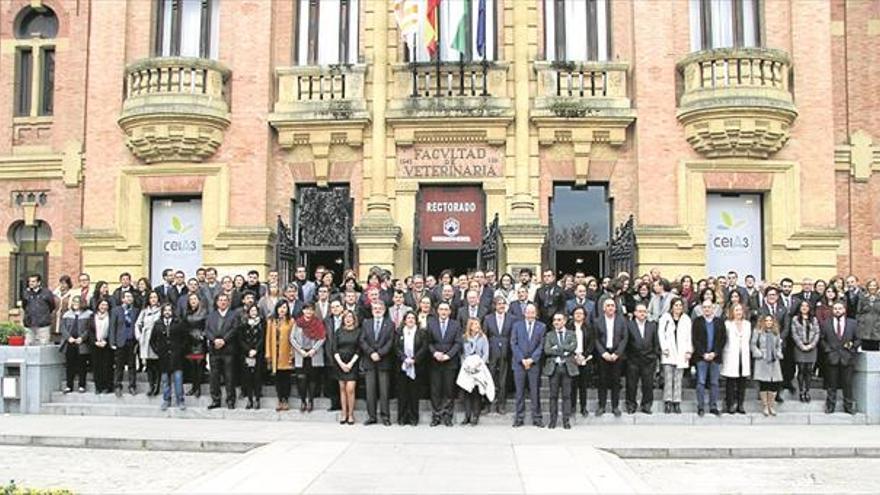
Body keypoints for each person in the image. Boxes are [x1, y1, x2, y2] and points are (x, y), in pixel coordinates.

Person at [820, 301, 860, 414]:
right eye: (835, 308)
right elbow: (822, 339)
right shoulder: (826, 323)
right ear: (832, 310)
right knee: (831, 384)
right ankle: (830, 406)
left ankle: (848, 406)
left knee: (847, 384)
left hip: (847, 357)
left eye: (840, 308)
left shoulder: (852, 323)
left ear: (844, 310)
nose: (837, 310)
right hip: (832, 357)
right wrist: (827, 350)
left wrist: (853, 346)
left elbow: (858, 339)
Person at [427, 301, 463, 427]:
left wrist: (448, 355)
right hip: (435, 361)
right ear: (437, 311)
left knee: (449, 390)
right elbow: (428, 342)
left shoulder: (456, 324)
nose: (443, 311)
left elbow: (458, 343)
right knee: (436, 390)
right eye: (441, 309)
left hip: (450, 362)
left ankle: (448, 416)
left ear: (450, 311)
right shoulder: (431, 323)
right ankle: (436, 416)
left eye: (446, 309)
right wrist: (435, 353)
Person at [359, 300, 395, 426]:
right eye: (375, 308)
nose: (377, 310)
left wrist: (379, 353)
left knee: (384, 391)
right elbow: (362, 340)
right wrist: (371, 353)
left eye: (380, 308)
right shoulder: (366, 323)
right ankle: (372, 416)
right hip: (369, 361)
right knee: (370, 391)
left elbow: (390, 342)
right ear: (372, 310)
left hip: (384, 361)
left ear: (384, 310)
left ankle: (385, 416)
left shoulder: (390, 324)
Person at [511, 303, 545, 427]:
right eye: (528, 312)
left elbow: (541, 345)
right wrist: (522, 359)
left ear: (536, 314)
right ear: (524, 313)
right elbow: (513, 344)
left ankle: (537, 418)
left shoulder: (541, 326)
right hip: (519, 364)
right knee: (519, 392)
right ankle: (519, 418)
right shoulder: (517, 326)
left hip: (534, 364)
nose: (530, 315)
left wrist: (531, 360)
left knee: (535, 392)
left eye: (532, 312)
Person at [542, 312, 577, 429]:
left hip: (567, 368)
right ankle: (553, 420)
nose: (556, 322)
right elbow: (547, 350)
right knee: (553, 396)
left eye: (559, 320)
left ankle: (566, 420)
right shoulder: (549, 335)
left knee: (567, 395)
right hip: (554, 367)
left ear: (565, 321)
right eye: (554, 320)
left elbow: (573, 347)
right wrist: (564, 349)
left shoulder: (571, 334)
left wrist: (557, 347)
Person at [692, 301, 726, 417]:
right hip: (701, 357)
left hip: (715, 357)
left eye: (709, 307)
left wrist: (715, 353)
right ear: (702, 309)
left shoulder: (719, 322)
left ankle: (713, 406)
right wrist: (703, 354)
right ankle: (700, 406)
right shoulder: (697, 322)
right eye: (704, 307)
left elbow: (722, 339)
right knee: (700, 382)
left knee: (714, 383)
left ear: (713, 308)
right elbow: (694, 339)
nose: (707, 309)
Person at [205, 293, 239, 409]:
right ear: (217, 302)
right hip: (214, 350)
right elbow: (207, 330)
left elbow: (234, 329)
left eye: (225, 300)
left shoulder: (233, 315)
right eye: (220, 300)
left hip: (228, 350)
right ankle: (216, 400)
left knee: (229, 376)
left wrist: (224, 340)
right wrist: (214, 340)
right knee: (214, 376)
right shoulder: (211, 315)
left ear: (228, 302)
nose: (223, 302)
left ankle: (230, 400)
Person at [595, 298, 628, 416]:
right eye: (608, 306)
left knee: (615, 381)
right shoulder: (598, 321)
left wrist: (617, 353)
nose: (610, 308)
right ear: (604, 308)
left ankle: (615, 406)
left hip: (616, 354)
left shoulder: (622, 321)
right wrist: (603, 353)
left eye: (612, 306)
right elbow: (596, 339)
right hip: (603, 354)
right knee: (602, 381)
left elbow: (625, 338)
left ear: (615, 308)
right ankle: (602, 406)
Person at [150, 303, 186, 411]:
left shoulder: (178, 323)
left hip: (176, 357)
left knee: (178, 380)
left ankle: (180, 400)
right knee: (165, 380)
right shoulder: (158, 324)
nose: (167, 312)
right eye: (165, 310)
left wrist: (180, 350)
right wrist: (158, 351)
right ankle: (167, 399)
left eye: (169, 310)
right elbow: (152, 340)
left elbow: (185, 339)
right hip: (164, 357)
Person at [658, 297, 692, 414]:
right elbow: (661, 334)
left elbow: (689, 337)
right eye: (676, 305)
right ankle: (668, 401)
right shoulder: (665, 318)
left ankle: (676, 402)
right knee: (668, 379)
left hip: (681, 353)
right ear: (671, 307)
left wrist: (688, 351)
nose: (678, 308)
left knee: (678, 379)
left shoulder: (686, 319)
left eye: (680, 305)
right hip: (669, 352)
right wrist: (664, 348)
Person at [291, 303, 326, 413]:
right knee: (301, 379)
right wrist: (300, 350)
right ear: (303, 311)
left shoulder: (318, 322)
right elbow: (291, 338)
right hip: (301, 354)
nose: (308, 312)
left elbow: (322, 337)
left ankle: (311, 400)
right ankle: (303, 401)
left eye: (311, 310)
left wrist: (314, 349)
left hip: (313, 354)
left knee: (312, 379)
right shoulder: (298, 323)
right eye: (306, 310)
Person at [625, 302, 658, 414]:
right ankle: (631, 405)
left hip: (648, 360)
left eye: (644, 311)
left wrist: (654, 356)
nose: (642, 313)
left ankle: (646, 405)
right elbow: (626, 342)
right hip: (633, 360)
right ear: (635, 313)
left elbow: (655, 343)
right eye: (640, 311)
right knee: (631, 384)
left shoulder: (652, 325)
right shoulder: (629, 325)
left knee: (648, 384)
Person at [396, 311, 426, 426]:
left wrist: (414, 359)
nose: (410, 320)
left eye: (413, 318)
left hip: (416, 366)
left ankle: (414, 418)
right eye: (408, 318)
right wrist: (404, 358)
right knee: (402, 393)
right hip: (402, 367)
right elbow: (396, 347)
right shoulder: (399, 332)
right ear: (404, 320)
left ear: (416, 320)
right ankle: (402, 418)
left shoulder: (421, 332)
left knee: (414, 394)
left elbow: (423, 347)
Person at [457, 318, 490, 426]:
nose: (477, 326)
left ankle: (475, 415)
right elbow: (462, 353)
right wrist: (465, 364)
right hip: (467, 367)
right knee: (467, 391)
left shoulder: (483, 337)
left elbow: (485, 353)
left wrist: (480, 364)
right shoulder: (465, 338)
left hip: (479, 367)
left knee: (476, 392)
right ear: (470, 326)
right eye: (474, 324)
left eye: (478, 324)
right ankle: (467, 415)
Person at [483, 296, 513, 415]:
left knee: (503, 380)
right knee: (488, 378)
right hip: (491, 352)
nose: (501, 306)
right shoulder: (488, 318)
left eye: (503, 304)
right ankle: (487, 404)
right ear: (494, 305)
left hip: (506, 352)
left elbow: (512, 335)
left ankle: (501, 404)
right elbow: (484, 335)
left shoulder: (512, 318)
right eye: (499, 304)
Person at [721, 303, 751, 414]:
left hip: (743, 355)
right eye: (736, 310)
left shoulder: (747, 324)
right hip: (731, 354)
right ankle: (730, 404)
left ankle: (740, 404)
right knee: (730, 382)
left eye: (740, 310)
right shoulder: (727, 324)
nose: (738, 312)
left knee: (742, 382)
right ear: (732, 312)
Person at [751, 314, 784, 416]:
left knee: (774, 384)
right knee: (764, 384)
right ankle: (765, 406)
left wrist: (778, 353)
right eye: (766, 320)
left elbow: (779, 345)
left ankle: (771, 405)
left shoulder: (775, 332)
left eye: (770, 320)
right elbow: (753, 344)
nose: (768, 322)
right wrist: (758, 353)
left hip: (774, 361)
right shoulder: (758, 331)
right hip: (762, 360)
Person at [332, 311, 361, 424]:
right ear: (343, 319)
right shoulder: (338, 331)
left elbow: (359, 349)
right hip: (340, 363)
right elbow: (334, 348)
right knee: (342, 389)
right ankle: (344, 414)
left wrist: (350, 364)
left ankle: (351, 414)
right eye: (346, 317)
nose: (348, 319)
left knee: (350, 389)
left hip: (352, 363)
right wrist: (341, 363)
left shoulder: (358, 332)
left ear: (354, 319)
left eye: (350, 317)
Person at [109, 291, 140, 397]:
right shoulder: (116, 310)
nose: (129, 298)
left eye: (130, 296)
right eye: (126, 296)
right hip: (120, 341)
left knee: (132, 365)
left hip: (131, 340)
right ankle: (117, 385)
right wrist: (112, 342)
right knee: (119, 365)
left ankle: (132, 386)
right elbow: (112, 327)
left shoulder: (136, 311)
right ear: (122, 299)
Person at [266, 300, 295, 411]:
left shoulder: (291, 321)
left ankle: (285, 400)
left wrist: (292, 353)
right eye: (280, 307)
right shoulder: (272, 321)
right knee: (277, 378)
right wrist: (268, 354)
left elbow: (293, 338)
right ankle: (279, 399)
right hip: (275, 354)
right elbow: (268, 338)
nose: (282, 310)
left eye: (284, 307)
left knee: (286, 378)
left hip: (286, 353)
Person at [59, 295, 91, 393]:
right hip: (70, 342)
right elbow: (63, 328)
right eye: (73, 302)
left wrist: (82, 338)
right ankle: (69, 386)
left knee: (82, 365)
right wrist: (69, 338)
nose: (75, 304)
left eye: (77, 302)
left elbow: (89, 329)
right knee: (70, 365)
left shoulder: (88, 314)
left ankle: (82, 385)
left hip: (82, 343)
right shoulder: (67, 314)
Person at [791, 300, 820, 403]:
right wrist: (802, 346)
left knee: (809, 370)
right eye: (802, 306)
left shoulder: (814, 319)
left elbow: (817, 333)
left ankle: (807, 391)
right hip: (800, 348)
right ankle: (801, 391)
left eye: (806, 306)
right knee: (801, 369)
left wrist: (811, 345)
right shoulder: (795, 319)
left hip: (812, 348)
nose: (804, 307)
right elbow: (794, 334)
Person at [135, 291, 163, 397]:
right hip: (146, 339)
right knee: (149, 364)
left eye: (155, 297)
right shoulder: (144, 312)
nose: (153, 299)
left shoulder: (161, 311)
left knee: (157, 364)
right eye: (151, 297)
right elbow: (137, 324)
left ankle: (157, 386)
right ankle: (151, 385)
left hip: (157, 340)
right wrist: (139, 337)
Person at [238, 305, 265, 410]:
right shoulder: (243, 324)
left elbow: (262, 338)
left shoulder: (262, 324)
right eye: (251, 310)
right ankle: (249, 400)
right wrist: (248, 350)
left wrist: (256, 350)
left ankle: (257, 399)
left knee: (257, 377)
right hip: (246, 354)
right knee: (247, 378)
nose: (253, 312)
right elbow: (240, 339)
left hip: (258, 353)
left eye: (255, 310)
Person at [182, 293, 208, 398]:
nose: (193, 301)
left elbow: (207, 326)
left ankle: (198, 388)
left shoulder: (204, 312)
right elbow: (184, 326)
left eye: (195, 299)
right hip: (189, 342)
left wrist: (202, 335)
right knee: (192, 366)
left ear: (199, 300)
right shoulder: (186, 313)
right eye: (191, 299)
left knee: (199, 365)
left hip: (200, 343)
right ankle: (194, 387)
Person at [570, 306, 594, 416]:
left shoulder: (589, 327)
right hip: (572, 358)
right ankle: (572, 406)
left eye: (581, 313)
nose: (579, 315)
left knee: (583, 385)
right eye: (576, 313)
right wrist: (574, 355)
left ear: (584, 315)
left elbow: (591, 344)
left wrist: (583, 355)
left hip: (585, 359)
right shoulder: (568, 327)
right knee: (572, 384)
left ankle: (583, 407)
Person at [21, 273, 56, 345]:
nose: (31, 283)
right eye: (29, 281)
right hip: (29, 324)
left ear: (39, 282)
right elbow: (24, 306)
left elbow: (52, 306)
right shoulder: (26, 293)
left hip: (43, 325)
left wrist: (44, 317)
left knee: (43, 346)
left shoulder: (47, 293)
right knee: (28, 345)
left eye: (33, 281)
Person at [90, 299, 114, 394]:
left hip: (106, 344)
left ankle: (107, 386)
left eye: (105, 305)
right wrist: (95, 342)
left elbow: (112, 330)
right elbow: (90, 331)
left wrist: (106, 341)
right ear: (98, 306)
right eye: (102, 305)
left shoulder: (111, 316)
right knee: (97, 366)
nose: (103, 307)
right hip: (95, 345)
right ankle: (98, 386)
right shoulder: (93, 316)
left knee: (107, 366)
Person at [856, 279, 880, 351]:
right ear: (867, 287)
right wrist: (860, 323)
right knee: (865, 352)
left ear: (877, 287)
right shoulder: (863, 298)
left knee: (875, 354)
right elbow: (858, 312)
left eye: (874, 285)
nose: (872, 287)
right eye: (870, 285)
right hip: (864, 329)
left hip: (877, 329)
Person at [53, 275, 74, 343]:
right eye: (61, 283)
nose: (62, 285)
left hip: (66, 318)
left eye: (64, 283)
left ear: (68, 284)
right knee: (55, 338)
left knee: (64, 337)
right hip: (55, 318)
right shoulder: (56, 293)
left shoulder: (71, 294)